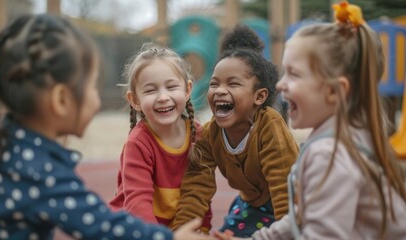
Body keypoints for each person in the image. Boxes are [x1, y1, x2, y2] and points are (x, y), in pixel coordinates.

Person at [0, 14, 215, 240]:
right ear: (62, 100)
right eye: (93, 86)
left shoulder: (9, 146)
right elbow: (101, 226)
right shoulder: (40, 171)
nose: (97, 98)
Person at [215, 2, 406, 240]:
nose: (279, 84)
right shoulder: (342, 137)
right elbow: (300, 217)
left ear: (334, 92)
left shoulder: (330, 154)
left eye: (294, 74)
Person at [171, 25, 299, 237]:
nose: (220, 90)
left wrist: (288, 232)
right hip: (250, 205)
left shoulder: (269, 127)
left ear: (259, 97)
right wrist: (183, 230)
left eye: (233, 84)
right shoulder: (210, 133)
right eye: (214, 84)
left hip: (291, 208)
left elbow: (284, 187)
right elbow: (196, 185)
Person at [109, 43, 212, 232]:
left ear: (187, 90)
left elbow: (201, 193)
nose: (163, 97)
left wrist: (201, 231)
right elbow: (137, 205)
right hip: (136, 230)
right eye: (150, 90)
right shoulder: (138, 143)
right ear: (135, 100)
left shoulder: (199, 136)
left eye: (171, 87)